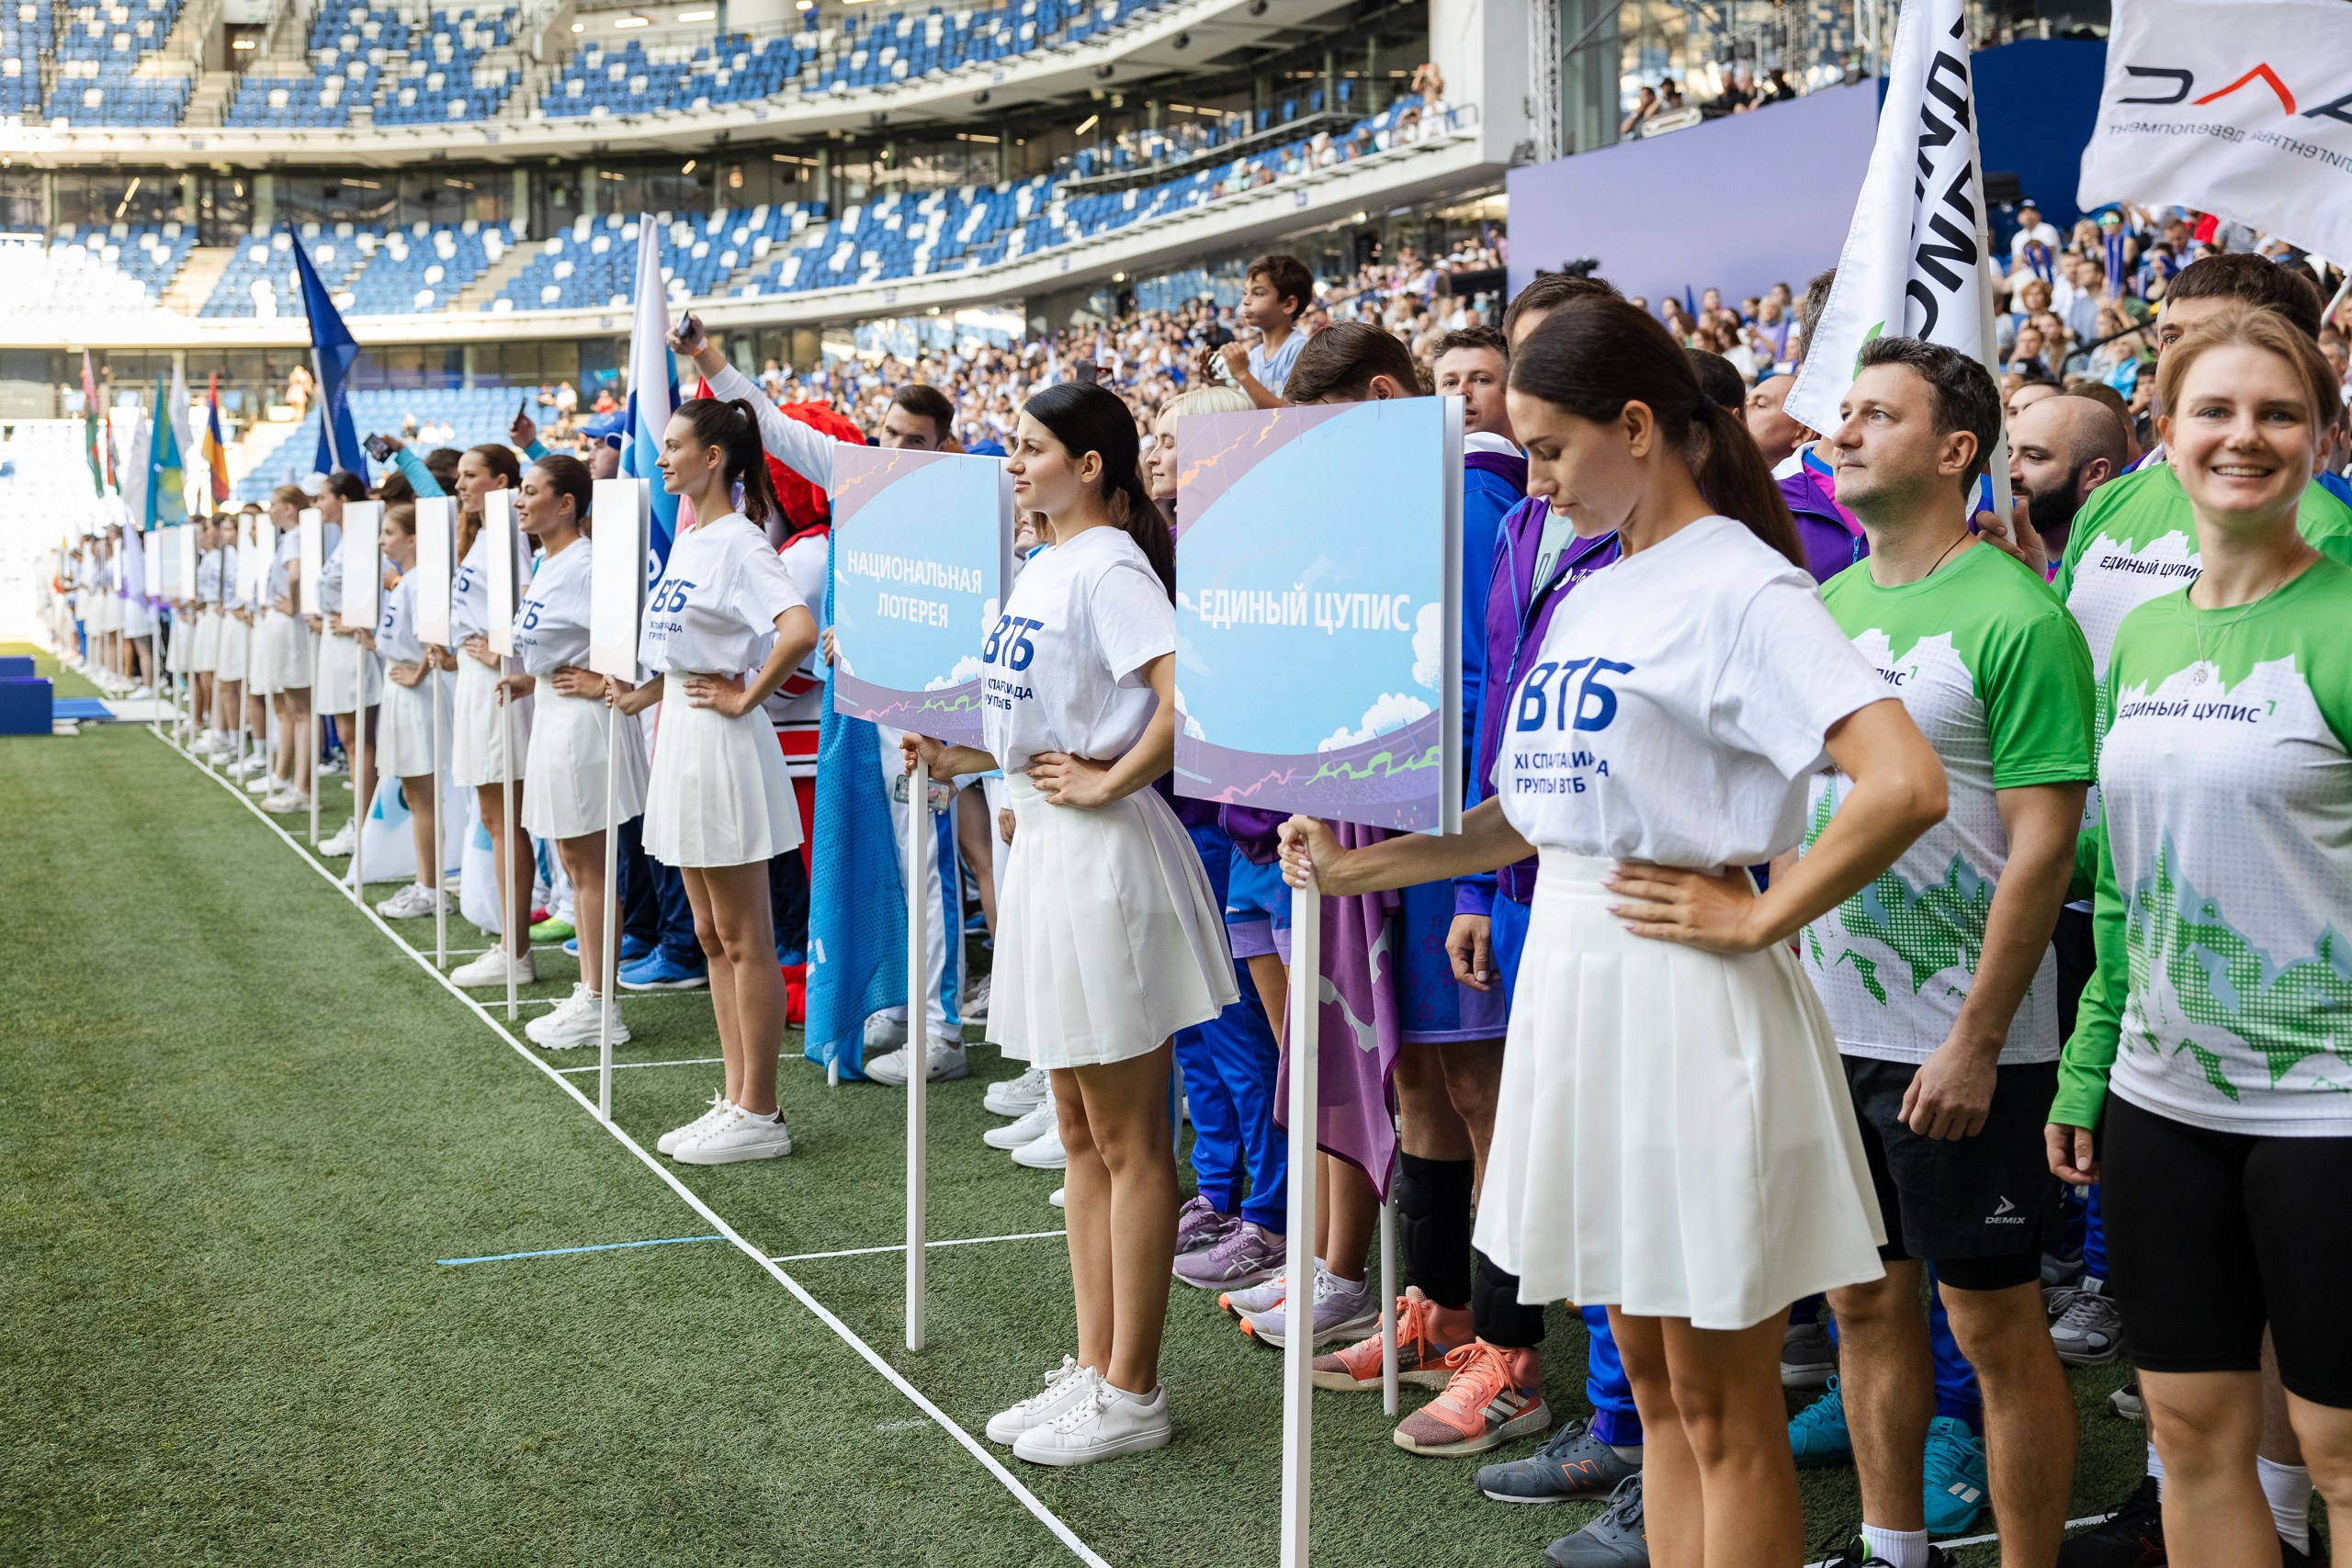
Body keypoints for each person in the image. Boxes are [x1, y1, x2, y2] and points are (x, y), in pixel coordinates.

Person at [1275, 295, 1948, 1568]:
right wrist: (1364, 862)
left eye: (1546, 447)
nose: (1529, 475)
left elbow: (1905, 779)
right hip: (1584, 986)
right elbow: (1529, 821)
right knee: (1652, 1387)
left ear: (1637, 426)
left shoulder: (1746, 587)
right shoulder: (1596, 587)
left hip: (1689, 1002)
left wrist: (1760, 911)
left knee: (1720, 1398)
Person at [2048, 305, 2352, 1568]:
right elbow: (2120, 879)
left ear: (2327, 436)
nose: (2246, 437)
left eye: (2280, 412)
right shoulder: (2150, 635)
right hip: (2162, 1099)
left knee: (2338, 1444)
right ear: (2161, 437)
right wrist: (2089, 1060)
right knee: (2189, 1423)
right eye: (2214, 412)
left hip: (2331, 1105)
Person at [905, 380, 1236, 1466]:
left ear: (1090, 464)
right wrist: (957, 754)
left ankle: (1133, 1390)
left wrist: (1111, 781)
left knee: (1133, 1140)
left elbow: (1191, 694)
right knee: (1082, 1133)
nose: (1015, 462)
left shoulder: (1111, 563)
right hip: (1045, 849)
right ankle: (1094, 1366)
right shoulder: (1047, 565)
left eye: (1034, 447)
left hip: (1102, 858)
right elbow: (1034, 717)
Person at [1804, 337, 2095, 1568]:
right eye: (1845, 413)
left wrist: (1977, 1036)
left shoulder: (2017, 613)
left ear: (1955, 450)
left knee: (1994, 1325)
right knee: (1866, 1303)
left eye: (1879, 414)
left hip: (1964, 1046)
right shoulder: (1828, 609)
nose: (1846, 430)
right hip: (1833, 1031)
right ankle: (1893, 1545)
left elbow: (2043, 848)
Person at [670, 321, 964, 1077]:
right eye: (889, 432)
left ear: (947, 447)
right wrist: (707, 358)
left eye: (916, 438)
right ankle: (898, 1007)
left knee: (927, 864)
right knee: (882, 859)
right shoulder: (859, 474)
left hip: (934, 709)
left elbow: (968, 615)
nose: (896, 446)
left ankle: (943, 1028)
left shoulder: (968, 498)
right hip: (861, 702)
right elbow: (770, 423)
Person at [618, 400, 819, 1165]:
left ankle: (761, 1109)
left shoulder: (738, 540)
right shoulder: (695, 538)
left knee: (744, 936)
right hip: (683, 736)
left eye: (673, 447)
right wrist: (642, 693)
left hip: (724, 742)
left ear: (714, 459)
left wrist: (746, 694)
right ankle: (735, 1095)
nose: (662, 457)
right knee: (709, 934)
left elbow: (795, 630)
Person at [1141, 382, 1292, 1290]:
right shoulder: (1170, 548)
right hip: (1189, 815)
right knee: (1199, 1026)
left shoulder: (1244, 554)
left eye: (1170, 437)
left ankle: (1267, 1213)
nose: (1155, 452)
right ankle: (1220, 1186)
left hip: (1228, 827)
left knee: (1244, 1037)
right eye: (1154, 438)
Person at [504, 455, 650, 1053]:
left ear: (566, 503)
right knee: (572, 861)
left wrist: (606, 681)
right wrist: (529, 678)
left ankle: (601, 1001)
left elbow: (635, 633)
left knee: (589, 866)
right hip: (554, 713)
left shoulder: (588, 564)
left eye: (531, 490)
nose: (519, 499)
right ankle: (592, 991)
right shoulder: (550, 559)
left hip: (583, 723)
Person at [389, 438, 535, 988]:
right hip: (474, 679)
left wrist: (506, 648)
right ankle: (509, 944)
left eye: (472, 475)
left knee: (503, 820)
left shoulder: (507, 537)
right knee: (494, 817)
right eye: (462, 475)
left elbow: (525, 604)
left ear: (501, 483)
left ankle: (513, 949)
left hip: (498, 682)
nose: (461, 483)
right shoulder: (482, 536)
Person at [358, 502, 457, 922]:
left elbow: (436, 640)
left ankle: (430, 887)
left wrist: (418, 673)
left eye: (389, 533)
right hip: (401, 693)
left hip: (418, 698)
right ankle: (426, 881)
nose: (382, 541)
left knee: (422, 795)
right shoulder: (406, 583)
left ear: (412, 537)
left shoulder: (421, 583)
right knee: (415, 794)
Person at [312, 471, 380, 860]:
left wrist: (357, 619)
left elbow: (375, 588)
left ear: (343, 500)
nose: (319, 505)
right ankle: (361, 819)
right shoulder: (343, 540)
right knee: (348, 734)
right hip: (335, 642)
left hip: (353, 645)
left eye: (324, 497)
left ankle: (364, 821)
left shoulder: (361, 539)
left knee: (357, 737)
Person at [2007, 394, 2128, 563]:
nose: (2009, 472)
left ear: (2094, 473)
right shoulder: (2003, 554)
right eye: (2009, 454)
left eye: (2034, 457)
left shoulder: (2121, 565)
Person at [257, 486, 317, 814]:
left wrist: (293, 604)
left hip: (290, 627)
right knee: (293, 708)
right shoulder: (292, 536)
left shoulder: (294, 536)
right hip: (287, 625)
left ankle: (302, 786)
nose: (269, 512)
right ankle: (289, 778)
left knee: (300, 708)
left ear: (289, 509)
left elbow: (295, 574)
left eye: (274, 505)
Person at [1214, 254, 1314, 408]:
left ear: (1289, 304)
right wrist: (1216, 384)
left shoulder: (1301, 350)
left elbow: (1290, 414)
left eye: (1258, 293)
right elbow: (1245, 408)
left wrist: (1242, 374)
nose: (1246, 301)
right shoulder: (1254, 356)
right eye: (1245, 292)